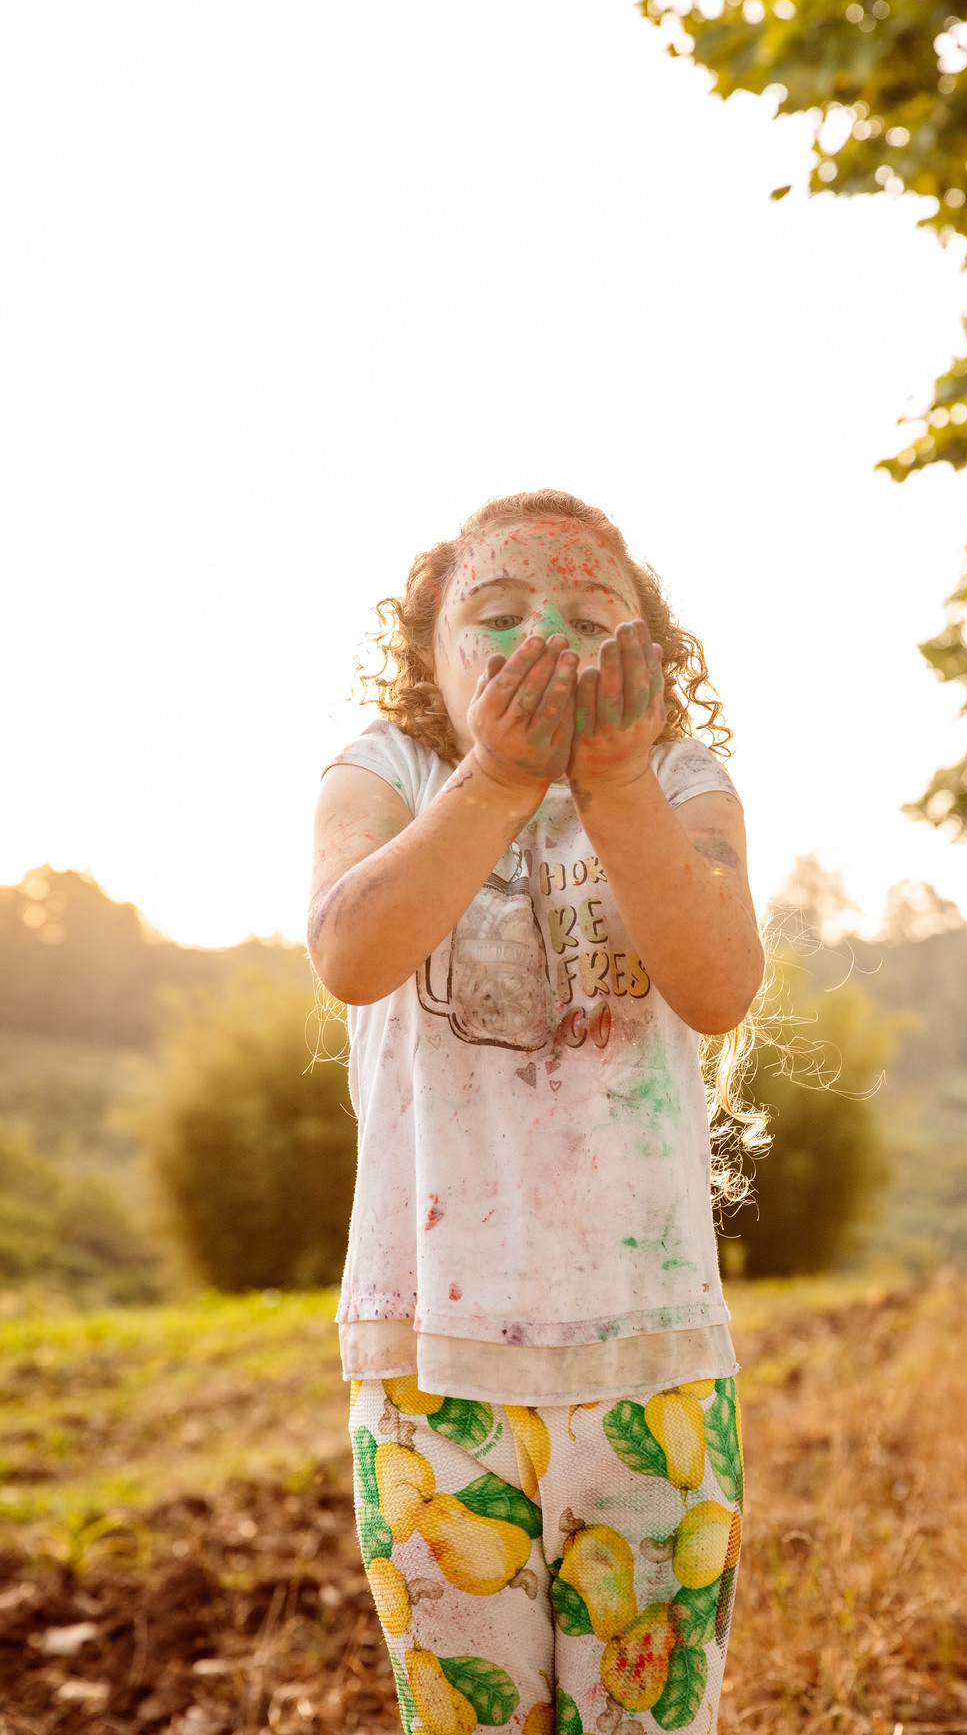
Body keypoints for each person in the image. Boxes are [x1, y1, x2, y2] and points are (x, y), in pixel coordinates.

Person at [308, 488, 763, 1732]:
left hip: (651, 1356)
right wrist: (501, 774)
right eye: (498, 616)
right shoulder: (386, 771)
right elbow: (350, 953)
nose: (544, 640)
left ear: (652, 666)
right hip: (429, 1361)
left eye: (588, 615)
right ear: (427, 662)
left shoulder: (682, 779)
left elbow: (720, 985)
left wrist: (614, 782)